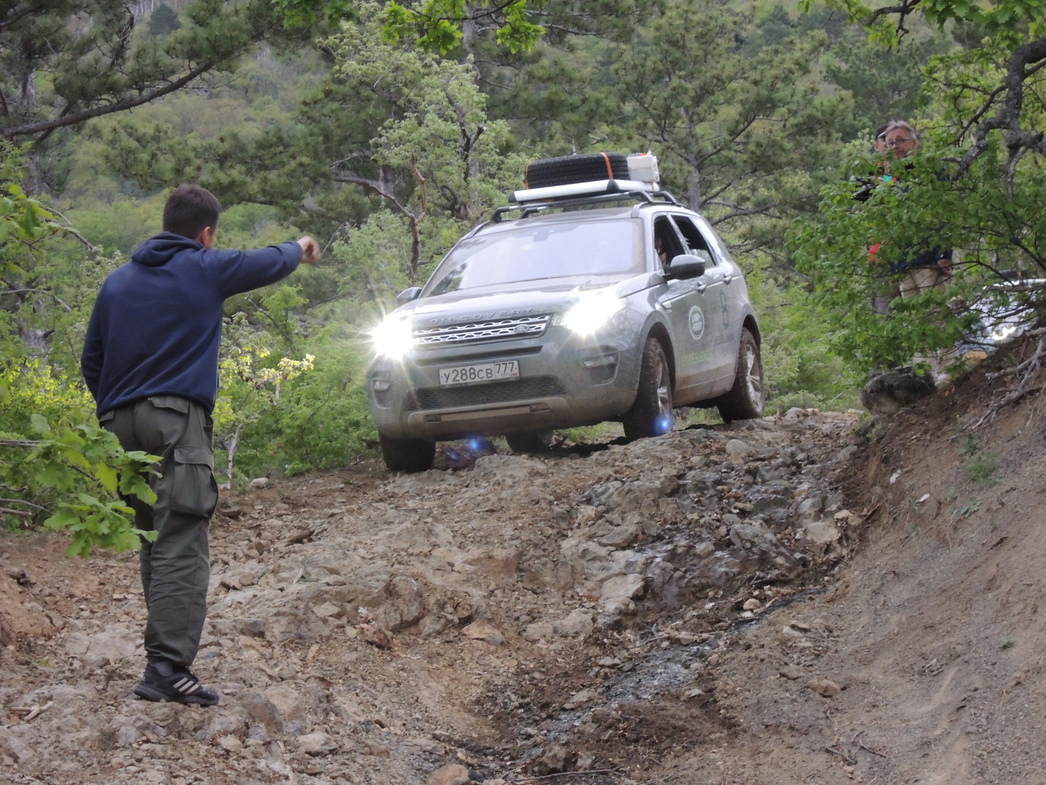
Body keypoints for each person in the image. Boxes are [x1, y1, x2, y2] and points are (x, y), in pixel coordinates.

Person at [80, 184, 320, 705]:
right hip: (175, 421)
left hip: (118, 423)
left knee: (152, 535)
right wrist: (300, 245)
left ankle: (162, 660)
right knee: (182, 537)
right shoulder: (205, 267)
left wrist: (119, 408)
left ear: (166, 223)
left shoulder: (117, 282)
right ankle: (166, 667)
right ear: (206, 234)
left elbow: (91, 362)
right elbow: (267, 261)